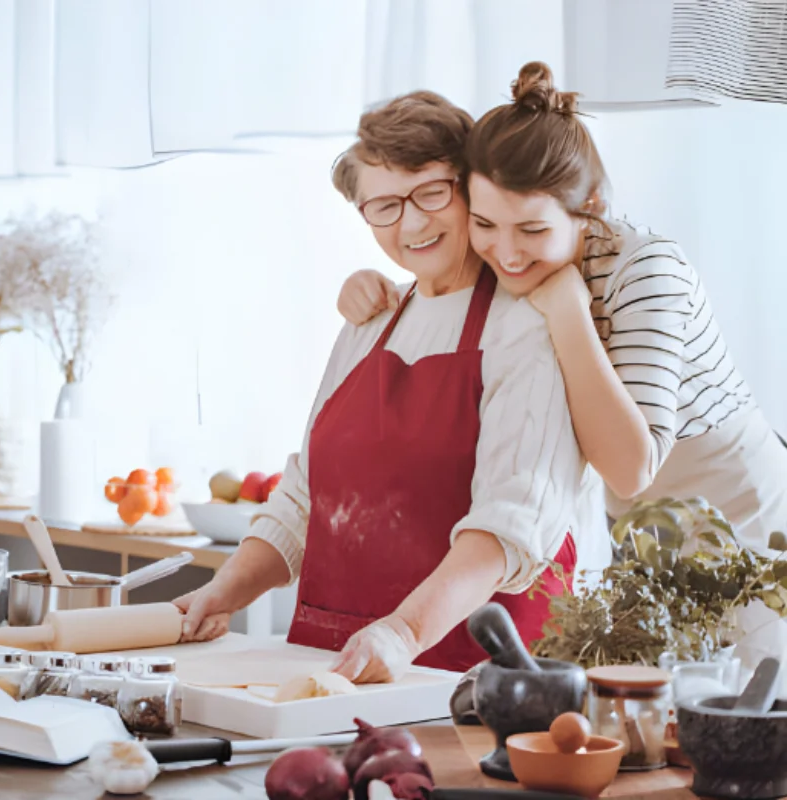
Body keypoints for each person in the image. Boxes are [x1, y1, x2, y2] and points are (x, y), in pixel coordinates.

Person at [336, 63, 787, 671]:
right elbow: (443, 276)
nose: (506, 250)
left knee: (750, 707)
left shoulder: (647, 270)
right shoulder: (514, 258)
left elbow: (631, 467)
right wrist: (370, 286)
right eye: (486, 224)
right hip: (639, 530)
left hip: (738, 512)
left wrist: (570, 311)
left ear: (590, 206)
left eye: (531, 229)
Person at [173, 90, 588, 681]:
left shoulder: (526, 326)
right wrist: (225, 591)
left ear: (473, 186)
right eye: (385, 205)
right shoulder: (372, 319)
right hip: (334, 666)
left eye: (431, 192)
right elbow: (306, 495)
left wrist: (403, 631)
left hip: (472, 678)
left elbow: (510, 527)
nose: (412, 222)